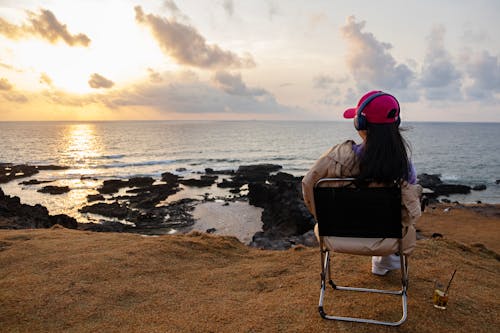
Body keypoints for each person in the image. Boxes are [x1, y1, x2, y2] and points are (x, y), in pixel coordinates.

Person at [302, 90, 422, 276]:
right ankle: (384, 261)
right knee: (398, 221)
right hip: (389, 240)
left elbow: (308, 187)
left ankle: (382, 262)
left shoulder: (334, 161)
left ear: (360, 124)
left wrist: (323, 217)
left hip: (336, 235)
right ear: (395, 124)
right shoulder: (404, 167)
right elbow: (408, 212)